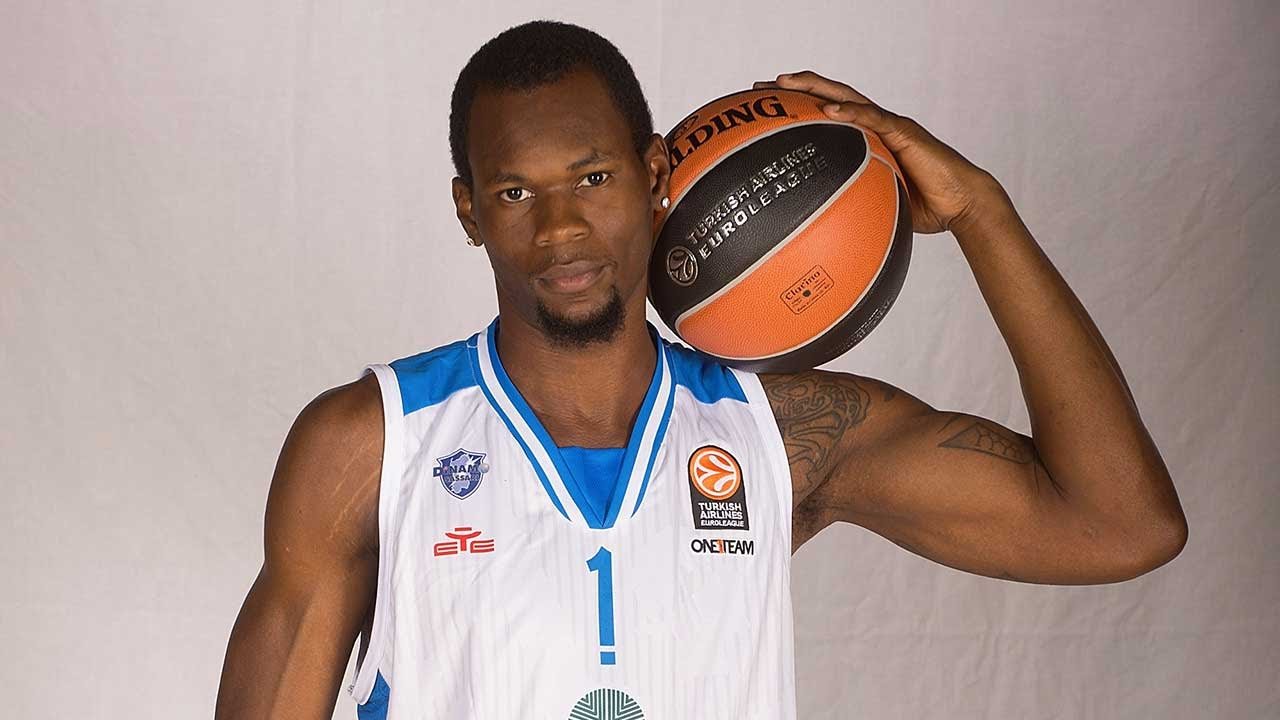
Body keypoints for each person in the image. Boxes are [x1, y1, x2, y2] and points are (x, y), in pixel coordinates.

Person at [214, 20, 1187, 720]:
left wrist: (981, 213)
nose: (560, 227)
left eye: (593, 177)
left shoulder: (780, 437)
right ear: (469, 212)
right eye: (514, 193)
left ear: (653, 176)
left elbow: (1119, 525)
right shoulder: (370, 444)